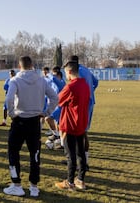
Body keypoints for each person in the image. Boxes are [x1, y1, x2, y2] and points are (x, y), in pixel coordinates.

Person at [3, 56, 58, 197]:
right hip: (35, 122)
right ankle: (34, 187)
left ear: (19, 66)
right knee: (35, 154)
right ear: (32, 65)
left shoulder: (15, 80)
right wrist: (46, 113)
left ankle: (17, 185)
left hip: (19, 120)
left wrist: (11, 113)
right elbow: (55, 98)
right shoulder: (41, 80)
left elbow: (9, 98)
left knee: (13, 152)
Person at [55, 60, 90, 191]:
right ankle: (80, 180)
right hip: (81, 124)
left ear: (69, 72)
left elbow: (58, 100)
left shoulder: (70, 87)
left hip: (70, 125)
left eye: (65, 73)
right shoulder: (85, 85)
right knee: (81, 153)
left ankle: (70, 182)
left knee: (70, 156)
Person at [60, 55, 99, 168]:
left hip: (79, 103)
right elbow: (96, 82)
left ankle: (76, 161)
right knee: (83, 130)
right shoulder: (86, 69)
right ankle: (83, 160)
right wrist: (90, 92)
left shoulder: (78, 72)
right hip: (90, 101)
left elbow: (74, 85)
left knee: (77, 131)